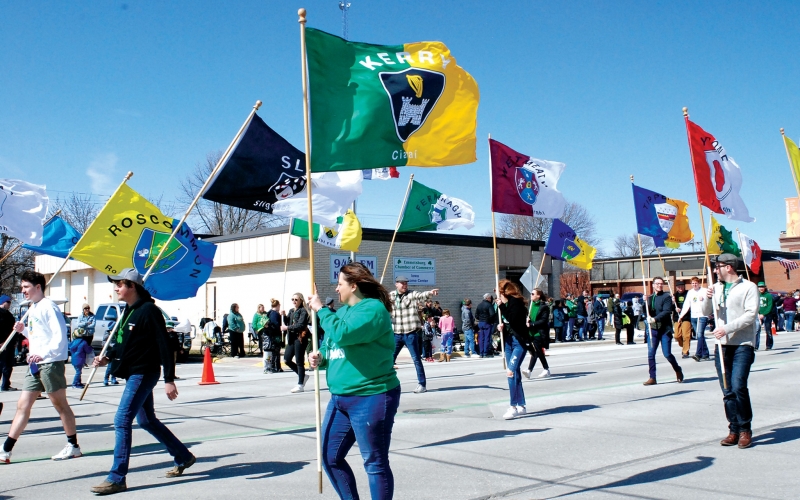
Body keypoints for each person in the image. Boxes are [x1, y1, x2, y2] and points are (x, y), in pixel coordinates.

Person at [90, 269, 194, 494]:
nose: (116, 288)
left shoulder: (149, 311)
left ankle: (117, 477)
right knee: (147, 421)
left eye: (120, 284)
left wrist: (169, 379)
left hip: (144, 373)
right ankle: (183, 456)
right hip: (132, 372)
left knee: (121, 419)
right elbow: (124, 345)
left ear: (133, 286)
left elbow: (164, 346)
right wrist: (107, 358)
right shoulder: (128, 311)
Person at [308, 262, 401, 499]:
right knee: (330, 458)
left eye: (340, 284)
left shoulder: (373, 310)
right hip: (340, 398)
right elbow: (335, 346)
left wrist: (320, 309)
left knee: (374, 463)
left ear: (354, 285)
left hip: (371, 396)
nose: (336, 289)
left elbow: (343, 333)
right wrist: (321, 357)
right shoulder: (341, 313)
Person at [1, 271, 81, 464]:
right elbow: (39, 336)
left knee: (60, 404)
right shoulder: (33, 308)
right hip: (34, 364)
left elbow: (60, 338)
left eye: (26, 287)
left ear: (38, 287)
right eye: (22, 287)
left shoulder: (49, 307)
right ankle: (6, 450)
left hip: (50, 363)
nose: (23, 291)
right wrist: (24, 331)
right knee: (23, 405)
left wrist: (44, 355)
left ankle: (73, 446)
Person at [701, 253, 758, 449]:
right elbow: (706, 312)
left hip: (742, 344)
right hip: (722, 346)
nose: (715, 270)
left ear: (729, 267)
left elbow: (751, 315)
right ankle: (733, 429)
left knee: (738, 386)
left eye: (718, 267)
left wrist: (728, 328)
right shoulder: (715, 288)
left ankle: (745, 429)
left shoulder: (748, 287)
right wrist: (708, 298)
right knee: (727, 391)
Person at [390, 276, 438, 394]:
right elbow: (380, 300)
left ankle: (422, 384)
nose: (404, 285)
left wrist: (430, 293)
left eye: (406, 283)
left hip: (410, 332)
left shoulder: (411, 295)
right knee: (389, 359)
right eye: (402, 283)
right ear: (396, 284)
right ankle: (386, 385)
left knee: (416, 359)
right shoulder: (391, 296)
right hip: (397, 333)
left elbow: (421, 296)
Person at [497, 279, 530, 420]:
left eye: (498, 291)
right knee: (514, 372)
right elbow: (499, 320)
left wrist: (502, 307)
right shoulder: (504, 304)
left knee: (510, 372)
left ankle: (513, 406)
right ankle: (521, 404)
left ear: (504, 292)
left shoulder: (515, 304)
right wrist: (499, 327)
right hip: (508, 342)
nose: (497, 294)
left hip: (519, 343)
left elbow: (514, 320)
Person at [644, 277, 684, 386]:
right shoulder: (650, 298)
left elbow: (667, 311)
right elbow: (646, 312)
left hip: (665, 330)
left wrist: (655, 318)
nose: (659, 285)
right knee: (651, 354)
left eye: (661, 284)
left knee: (667, 354)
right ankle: (652, 377)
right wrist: (644, 303)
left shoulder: (666, 297)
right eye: (657, 283)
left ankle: (677, 369)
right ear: (653, 285)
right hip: (653, 330)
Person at [282, 293, 311, 393]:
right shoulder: (291, 311)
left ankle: (300, 385)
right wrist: (283, 316)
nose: (294, 301)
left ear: (301, 300)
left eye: (296, 299)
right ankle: (302, 375)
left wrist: (288, 328)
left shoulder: (303, 311)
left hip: (300, 338)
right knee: (286, 359)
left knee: (299, 361)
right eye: (292, 299)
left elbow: (300, 325)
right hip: (291, 338)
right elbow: (288, 322)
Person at [678, 277, 711, 361]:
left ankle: (698, 354)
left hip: (702, 315)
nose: (694, 285)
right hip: (694, 317)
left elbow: (710, 302)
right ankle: (706, 353)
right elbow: (686, 305)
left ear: (699, 283)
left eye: (696, 283)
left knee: (699, 335)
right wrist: (681, 316)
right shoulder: (690, 292)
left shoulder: (704, 291)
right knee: (699, 336)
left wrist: (703, 300)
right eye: (692, 283)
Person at [523, 288, 551, 379]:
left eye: (532, 294)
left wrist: (531, 324)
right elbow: (528, 317)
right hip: (530, 333)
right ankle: (544, 369)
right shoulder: (531, 306)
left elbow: (543, 321)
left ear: (538, 296)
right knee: (535, 352)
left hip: (538, 333)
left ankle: (531, 370)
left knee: (537, 351)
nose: (531, 295)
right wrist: (527, 320)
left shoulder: (544, 307)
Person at [0, 295, 18, 392]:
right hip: (2, 344)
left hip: (10, 344)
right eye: (8, 302)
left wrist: (15, 342)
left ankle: (5, 385)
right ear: (3, 302)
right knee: (1, 365)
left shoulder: (9, 315)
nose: (10, 304)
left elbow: (13, 330)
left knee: (8, 365)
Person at [673, 282, 692, 359]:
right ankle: (684, 345)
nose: (680, 288)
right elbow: (670, 308)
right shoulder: (674, 296)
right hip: (677, 318)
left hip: (686, 317)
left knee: (686, 335)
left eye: (681, 286)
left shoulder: (688, 294)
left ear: (684, 287)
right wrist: (674, 306)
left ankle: (685, 352)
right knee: (677, 335)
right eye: (678, 286)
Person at [263, 299, 283, 374]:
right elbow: (276, 325)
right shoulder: (274, 314)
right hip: (274, 336)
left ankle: (274, 366)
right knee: (275, 352)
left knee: (273, 352)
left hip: (270, 335)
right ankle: (275, 366)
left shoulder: (269, 313)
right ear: (278, 305)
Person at [756, 282, 775, 351]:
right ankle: (755, 346)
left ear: (765, 287)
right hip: (758, 315)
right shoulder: (756, 295)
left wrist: (763, 314)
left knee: (768, 330)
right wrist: (758, 313)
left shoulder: (768, 295)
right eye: (760, 287)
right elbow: (755, 305)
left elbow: (769, 306)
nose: (761, 288)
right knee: (757, 330)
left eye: (762, 287)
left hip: (767, 315)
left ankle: (769, 345)